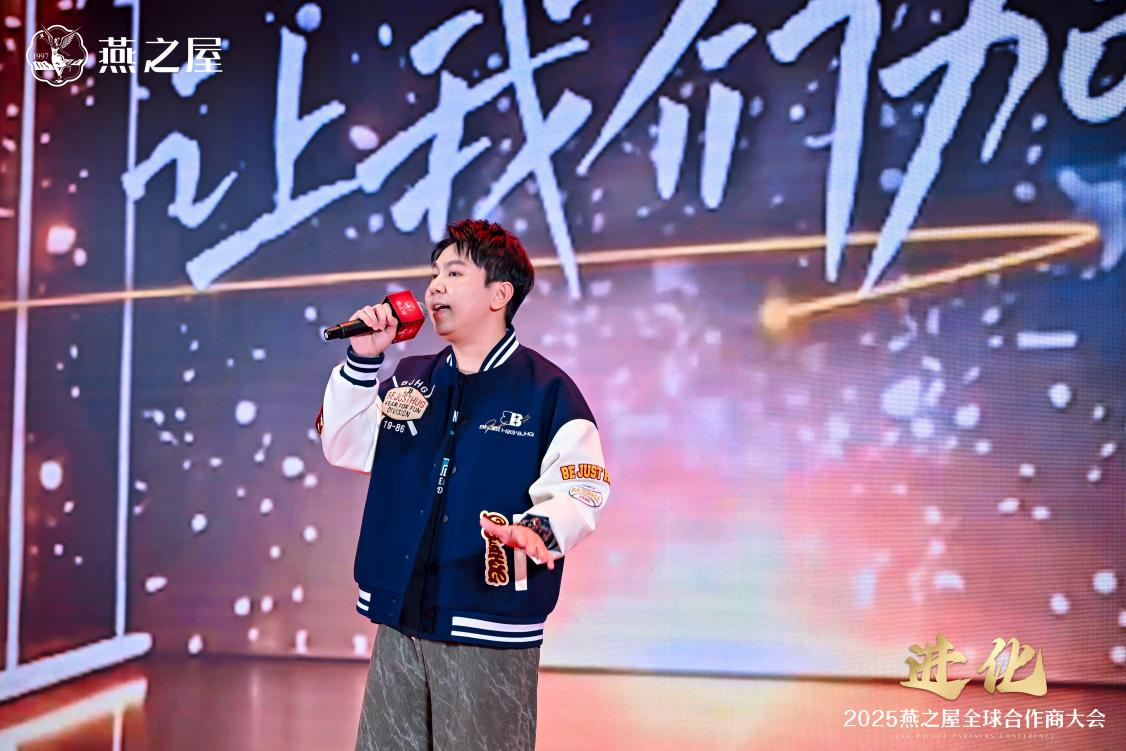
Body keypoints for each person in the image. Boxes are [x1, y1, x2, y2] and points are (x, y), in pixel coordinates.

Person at [317, 219, 611, 751]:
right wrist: (362, 360)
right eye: (434, 274)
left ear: (500, 294)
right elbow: (346, 445)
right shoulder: (411, 377)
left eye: (454, 273)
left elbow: (581, 488)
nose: (435, 287)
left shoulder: (548, 392)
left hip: (488, 623)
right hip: (400, 617)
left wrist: (538, 530)